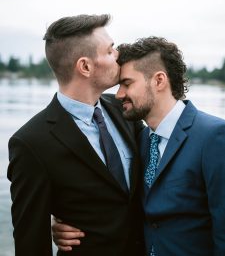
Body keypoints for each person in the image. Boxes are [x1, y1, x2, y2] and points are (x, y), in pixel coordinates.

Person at [54, 36, 225, 255]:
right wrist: (62, 222)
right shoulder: (140, 140)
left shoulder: (214, 136)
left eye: (127, 84)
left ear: (159, 80)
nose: (118, 95)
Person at [7, 14, 145, 256]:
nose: (118, 55)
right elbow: (31, 242)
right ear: (85, 66)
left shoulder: (125, 109)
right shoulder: (31, 143)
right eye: (110, 50)